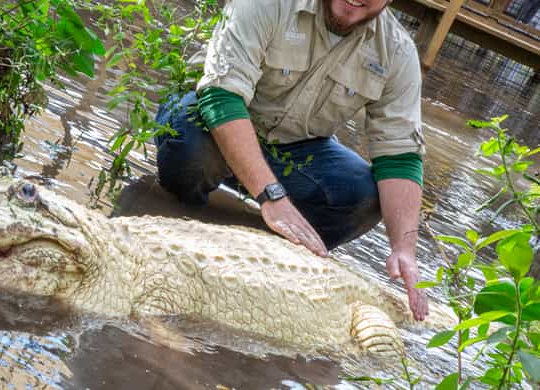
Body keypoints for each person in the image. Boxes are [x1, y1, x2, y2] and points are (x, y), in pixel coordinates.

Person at [154, 0, 429, 320]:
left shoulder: (397, 51)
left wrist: (404, 249)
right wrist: (271, 195)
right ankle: (180, 221)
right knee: (189, 150)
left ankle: (260, 257)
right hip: (210, 120)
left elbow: (400, 157)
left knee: (363, 196)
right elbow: (221, 95)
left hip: (294, 148)